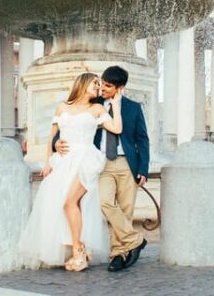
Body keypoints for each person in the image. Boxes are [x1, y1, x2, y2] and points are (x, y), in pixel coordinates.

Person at [18, 72, 118, 272]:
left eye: (99, 85)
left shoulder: (97, 108)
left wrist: (115, 104)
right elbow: (52, 136)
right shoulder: (62, 107)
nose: (98, 87)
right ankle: (79, 247)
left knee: (69, 202)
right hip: (63, 160)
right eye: (94, 83)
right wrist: (48, 162)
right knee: (64, 204)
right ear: (82, 84)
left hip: (86, 159)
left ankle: (78, 251)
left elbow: (116, 128)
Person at [59, 65, 150, 272]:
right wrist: (56, 143)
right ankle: (136, 240)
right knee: (106, 203)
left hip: (127, 163)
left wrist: (143, 169)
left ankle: (119, 254)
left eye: (108, 86)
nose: (102, 89)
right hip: (101, 162)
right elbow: (70, 123)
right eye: (101, 84)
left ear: (120, 88)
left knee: (126, 210)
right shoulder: (94, 104)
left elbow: (142, 139)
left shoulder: (133, 107)